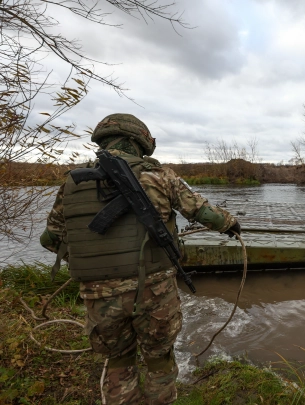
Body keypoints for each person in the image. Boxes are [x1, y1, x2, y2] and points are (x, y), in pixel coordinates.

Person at [40, 113, 241, 404]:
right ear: (139, 142)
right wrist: (231, 225)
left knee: (119, 360)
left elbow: (49, 239)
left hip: (99, 295)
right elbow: (203, 213)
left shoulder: (72, 183)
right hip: (154, 291)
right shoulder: (160, 176)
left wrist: (88, 259)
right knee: (159, 359)